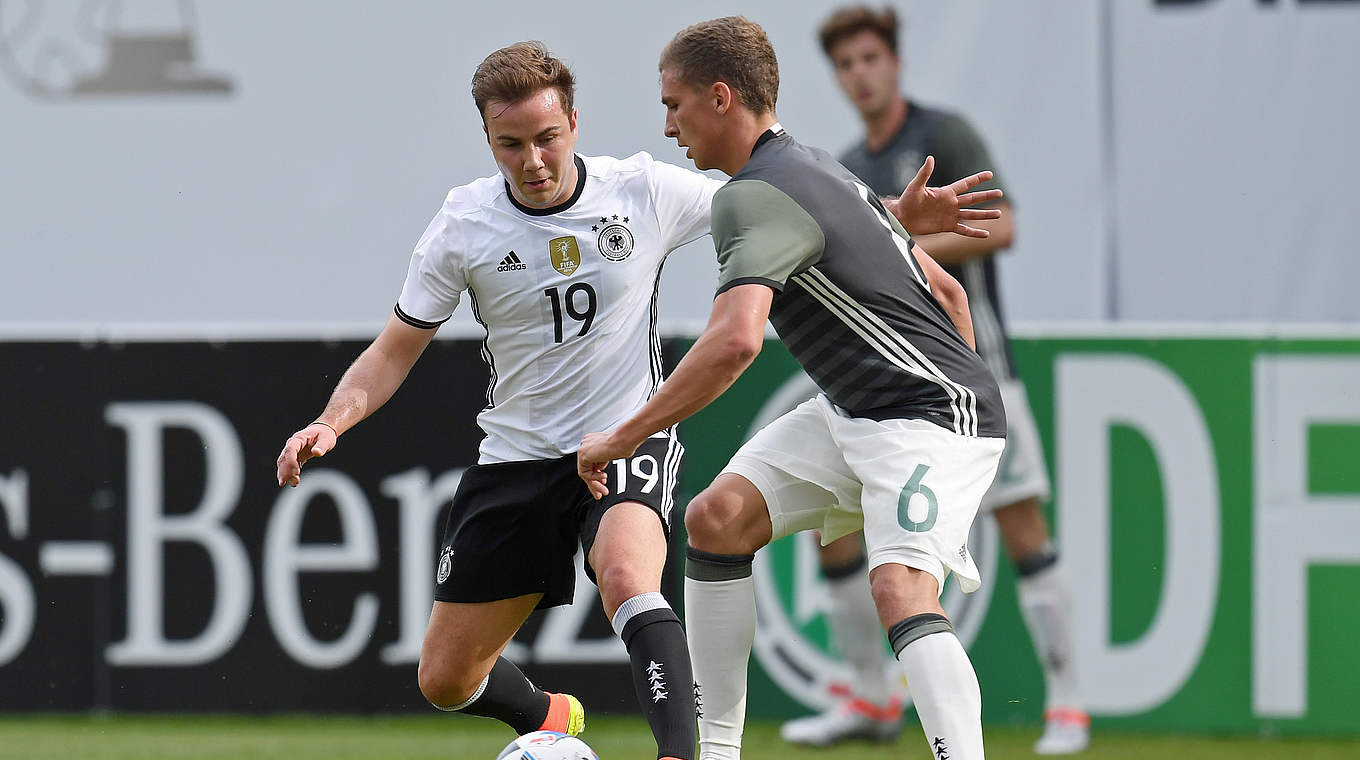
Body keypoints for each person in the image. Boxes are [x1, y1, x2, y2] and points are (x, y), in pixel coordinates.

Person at [275, 40, 995, 760]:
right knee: (446, 678)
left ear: (575, 124)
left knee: (627, 574)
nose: (532, 159)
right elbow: (394, 349)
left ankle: (688, 753)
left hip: (628, 439)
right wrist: (330, 421)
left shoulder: (646, 190)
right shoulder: (463, 226)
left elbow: (801, 225)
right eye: (511, 144)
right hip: (518, 457)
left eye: (547, 138)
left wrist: (889, 218)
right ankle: (550, 717)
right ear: (489, 142)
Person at [579, 16, 1009, 760]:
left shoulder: (753, 196)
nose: (668, 124)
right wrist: (901, 228)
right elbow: (946, 292)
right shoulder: (813, 165)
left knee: (901, 587)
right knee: (715, 520)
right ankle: (716, 753)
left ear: (720, 98)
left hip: (929, 414)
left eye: (674, 104)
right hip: (864, 410)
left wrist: (623, 436)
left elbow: (736, 341)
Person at [778, 7, 1089, 755]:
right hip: (889, 393)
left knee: (1023, 531)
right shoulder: (847, 161)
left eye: (870, 59)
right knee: (834, 531)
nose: (861, 75)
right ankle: (872, 701)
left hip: (978, 376)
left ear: (895, 62)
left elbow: (1003, 224)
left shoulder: (942, 137)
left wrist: (901, 238)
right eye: (847, 64)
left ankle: (1069, 708)